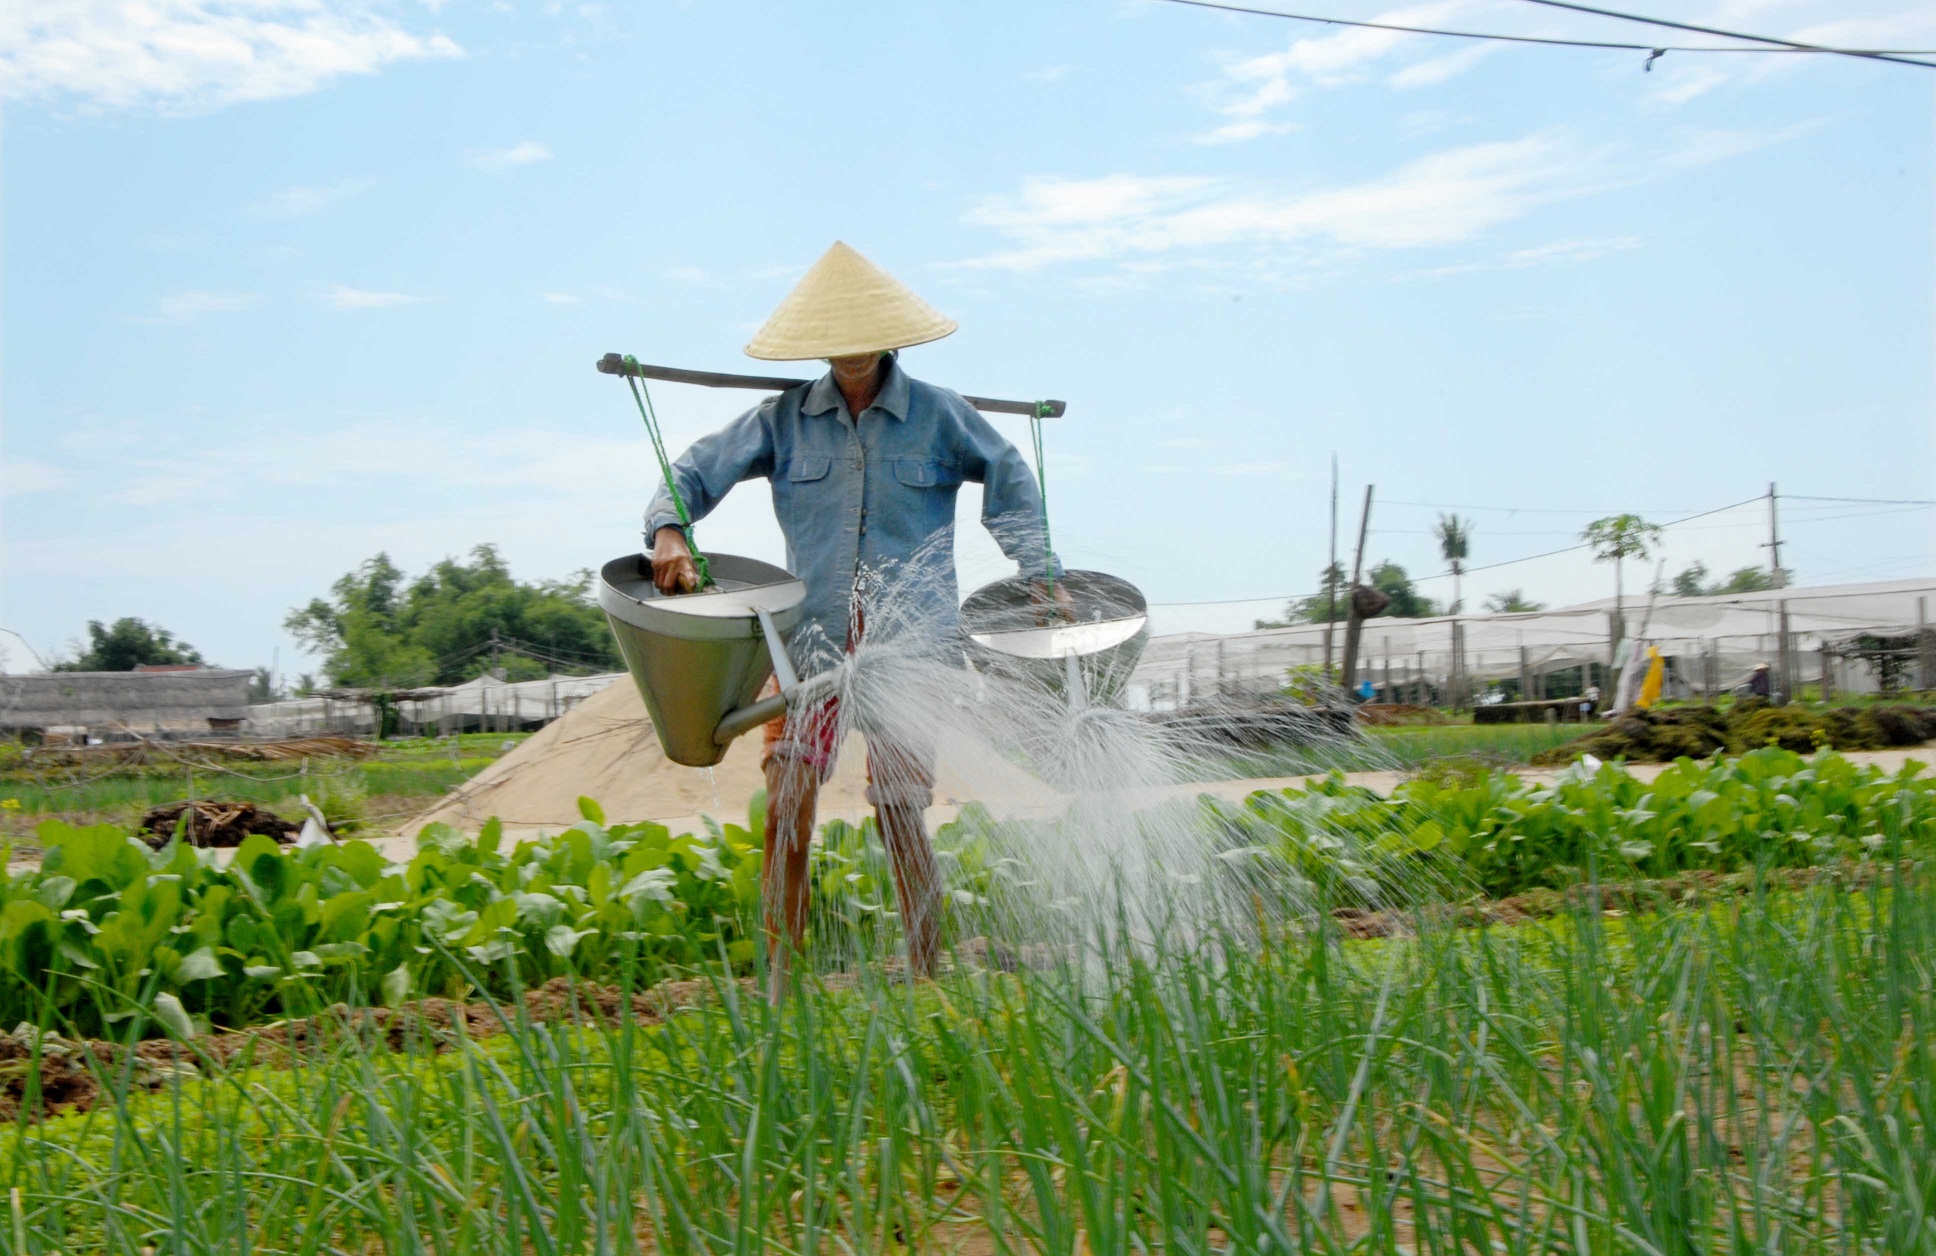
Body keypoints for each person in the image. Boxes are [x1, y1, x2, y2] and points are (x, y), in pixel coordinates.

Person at [644, 241, 1065, 996]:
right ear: (819, 342)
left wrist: (1038, 572)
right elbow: (691, 472)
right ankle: (782, 978)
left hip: (912, 649)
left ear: (887, 335)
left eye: (862, 336)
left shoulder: (940, 417)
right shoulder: (784, 421)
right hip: (811, 647)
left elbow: (1010, 475)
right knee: (787, 804)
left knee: (901, 814)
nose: (850, 353)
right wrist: (670, 529)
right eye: (835, 338)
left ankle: (928, 971)